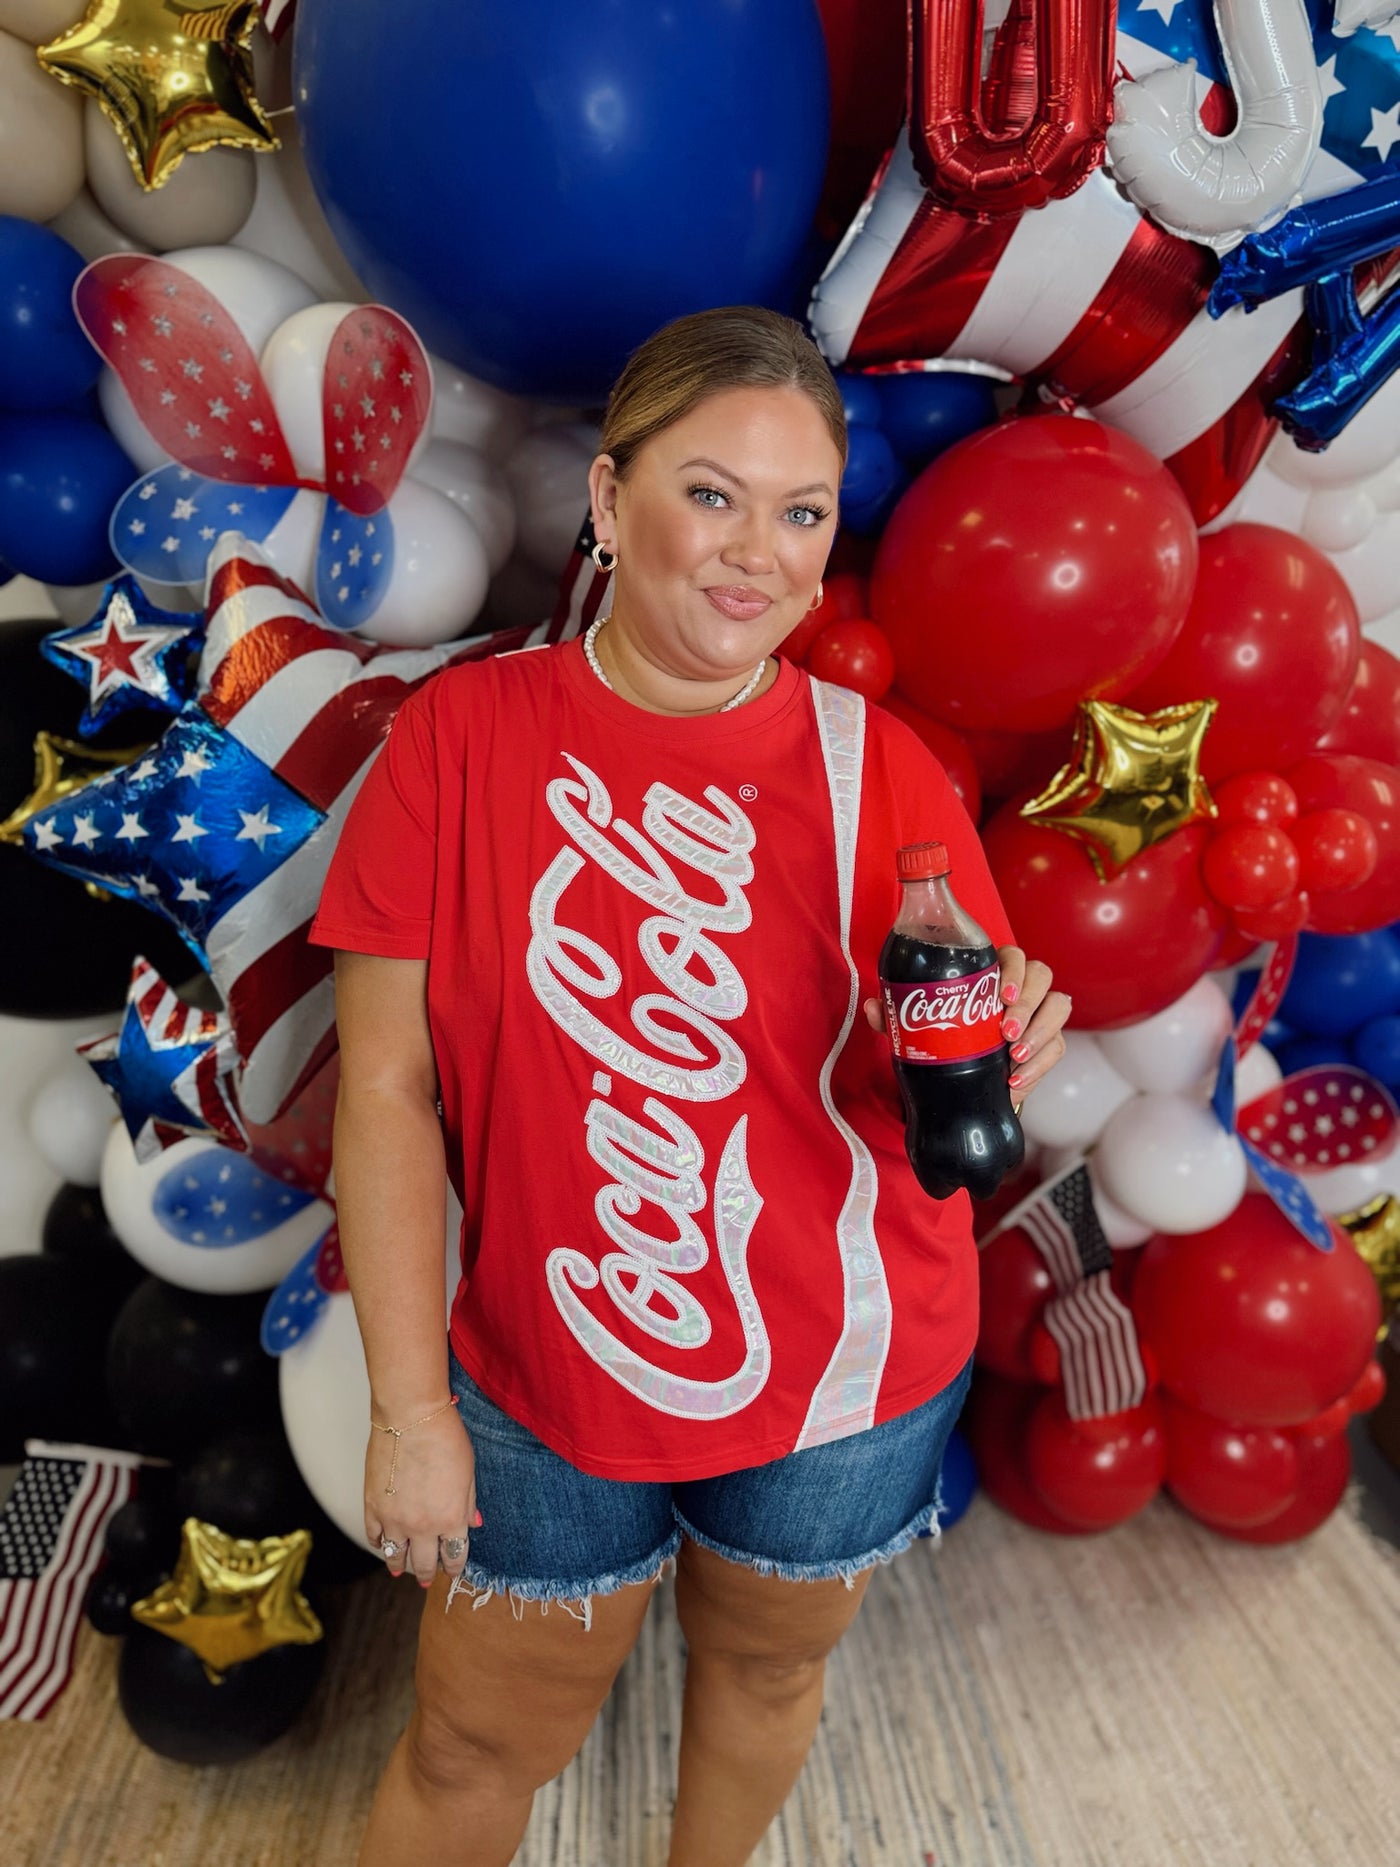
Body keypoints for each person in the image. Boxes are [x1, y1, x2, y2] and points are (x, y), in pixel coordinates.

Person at [307, 304, 1070, 1867]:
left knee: (771, 1667)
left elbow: (952, 1099)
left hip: (844, 1375)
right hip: (547, 1367)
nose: (758, 556)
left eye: (802, 514)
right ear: (606, 501)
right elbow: (383, 1095)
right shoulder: (459, 740)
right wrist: (405, 1410)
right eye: (710, 493)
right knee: (467, 1744)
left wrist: (1004, 1043)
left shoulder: (888, 769)